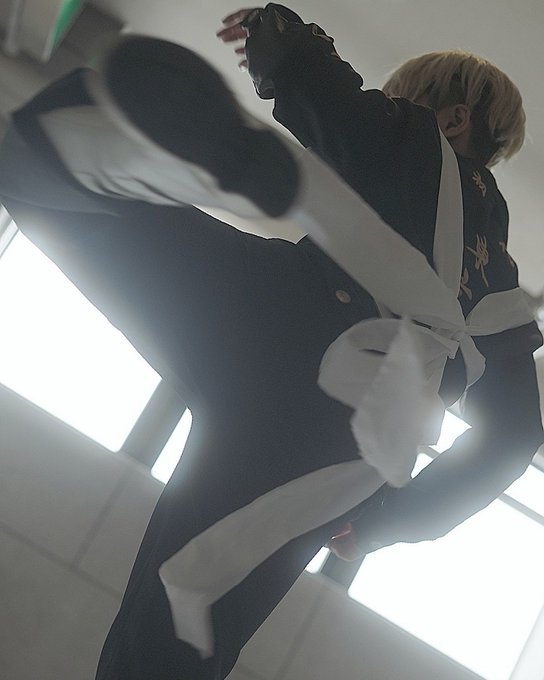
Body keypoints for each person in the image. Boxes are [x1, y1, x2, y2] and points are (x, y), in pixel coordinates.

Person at [0, 4, 541, 679]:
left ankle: (177, 161)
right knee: (175, 642)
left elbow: (327, 91)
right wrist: (385, 519)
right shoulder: (506, 292)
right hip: (340, 453)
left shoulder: (413, 140)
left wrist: (274, 37)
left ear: (452, 120)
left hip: (278, 317)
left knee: (46, 174)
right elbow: (514, 437)